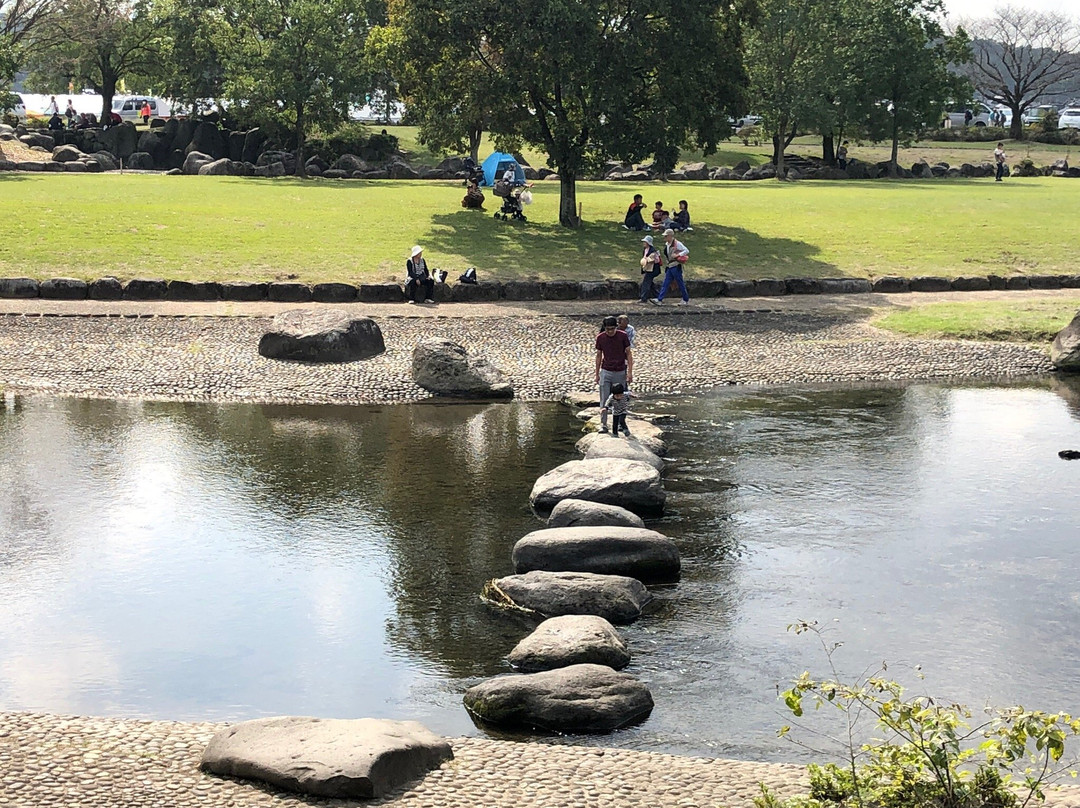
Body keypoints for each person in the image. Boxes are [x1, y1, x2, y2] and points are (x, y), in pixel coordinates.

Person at [595, 316, 633, 410]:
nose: (610, 331)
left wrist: (630, 373)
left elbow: (629, 354)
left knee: (620, 399)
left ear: (616, 327)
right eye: (608, 329)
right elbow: (599, 356)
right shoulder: (600, 338)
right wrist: (597, 374)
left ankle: (619, 421)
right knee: (604, 399)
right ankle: (603, 423)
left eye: (612, 329)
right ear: (604, 328)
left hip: (620, 370)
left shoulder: (623, 336)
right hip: (606, 369)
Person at [650, 228, 690, 306]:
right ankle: (659, 299)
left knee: (680, 282)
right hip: (670, 266)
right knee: (666, 283)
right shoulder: (668, 244)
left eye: (666, 236)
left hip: (675, 266)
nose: (664, 238)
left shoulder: (677, 243)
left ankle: (685, 299)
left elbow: (686, 250)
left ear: (670, 236)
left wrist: (678, 255)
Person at [639, 235, 662, 303]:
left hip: (653, 270)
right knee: (650, 283)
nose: (644, 243)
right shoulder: (645, 250)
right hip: (648, 269)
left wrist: (646, 260)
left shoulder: (653, 251)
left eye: (645, 242)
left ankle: (643, 298)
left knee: (646, 283)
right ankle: (658, 296)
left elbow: (655, 260)